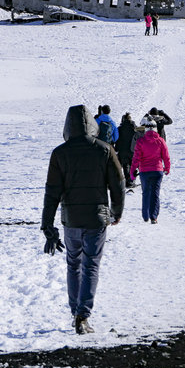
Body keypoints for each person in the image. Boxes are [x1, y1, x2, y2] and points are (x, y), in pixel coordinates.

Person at [42, 105, 125, 335]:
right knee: (91, 265)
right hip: (97, 218)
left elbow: (52, 191)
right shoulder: (105, 150)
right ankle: (83, 315)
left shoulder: (60, 153)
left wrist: (47, 224)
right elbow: (118, 183)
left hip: (71, 219)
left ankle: (75, 312)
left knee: (73, 264)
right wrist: (116, 212)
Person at [130, 115, 170, 224]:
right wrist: (167, 168)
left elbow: (136, 158)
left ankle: (145, 215)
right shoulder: (161, 141)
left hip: (144, 171)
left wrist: (132, 171)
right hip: (157, 170)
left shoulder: (141, 141)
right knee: (155, 193)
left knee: (146, 192)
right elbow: (166, 156)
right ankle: (154, 217)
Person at [116, 112, 137, 188]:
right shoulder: (135, 128)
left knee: (125, 166)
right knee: (133, 165)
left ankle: (127, 181)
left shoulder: (119, 128)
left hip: (122, 150)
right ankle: (132, 180)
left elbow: (117, 139)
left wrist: (117, 148)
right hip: (132, 150)